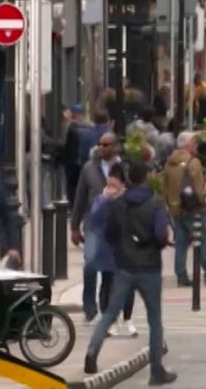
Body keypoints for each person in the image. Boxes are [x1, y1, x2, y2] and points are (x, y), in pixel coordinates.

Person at [84, 161, 176, 385]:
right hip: (149, 267)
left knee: (109, 313)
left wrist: (121, 251)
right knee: (154, 319)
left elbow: (108, 233)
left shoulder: (118, 203)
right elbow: (160, 235)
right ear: (146, 177)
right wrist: (159, 244)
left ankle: (92, 352)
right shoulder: (155, 203)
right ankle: (156, 371)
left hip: (124, 266)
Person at [164, 132, 206, 287]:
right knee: (204, 239)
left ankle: (181, 275)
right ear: (188, 144)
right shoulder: (193, 162)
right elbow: (198, 188)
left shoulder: (169, 162)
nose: (197, 145)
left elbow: (165, 186)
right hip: (192, 208)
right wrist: (204, 197)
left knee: (181, 242)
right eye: (194, 142)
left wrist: (170, 204)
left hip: (175, 207)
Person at [72, 132, 122, 322]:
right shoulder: (89, 168)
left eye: (106, 144)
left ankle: (106, 305)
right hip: (93, 224)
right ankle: (89, 306)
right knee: (91, 265)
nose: (102, 148)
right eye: (100, 144)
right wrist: (75, 227)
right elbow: (80, 198)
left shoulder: (122, 167)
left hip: (115, 224)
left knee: (110, 268)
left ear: (116, 146)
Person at [88, 164, 138, 338]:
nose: (110, 189)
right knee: (108, 283)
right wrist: (104, 199)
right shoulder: (101, 201)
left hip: (126, 248)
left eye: (114, 186)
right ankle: (110, 321)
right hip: (107, 248)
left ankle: (127, 319)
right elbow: (94, 219)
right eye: (108, 185)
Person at [61, 104, 92, 209]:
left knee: (71, 185)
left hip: (72, 162)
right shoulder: (90, 125)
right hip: (85, 160)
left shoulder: (70, 126)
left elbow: (64, 142)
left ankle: (73, 206)